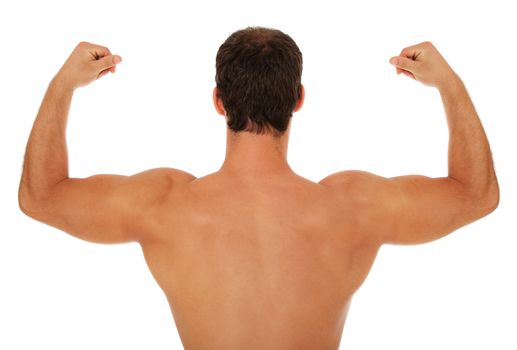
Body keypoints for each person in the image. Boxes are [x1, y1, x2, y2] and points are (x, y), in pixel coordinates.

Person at [18, 27, 499, 349]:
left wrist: (64, 84)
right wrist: (448, 84)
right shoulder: (355, 208)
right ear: (299, 100)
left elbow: (40, 195)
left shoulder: (161, 205)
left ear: (218, 102)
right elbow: (476, 193)